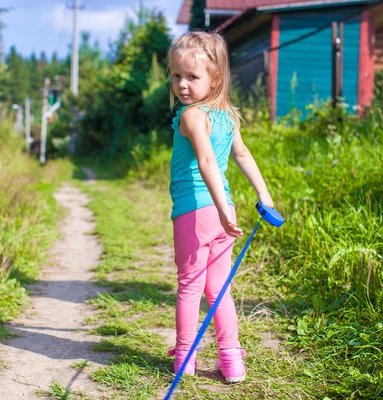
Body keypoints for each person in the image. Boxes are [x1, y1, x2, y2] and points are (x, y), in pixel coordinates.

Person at [166, 31, 274, 383]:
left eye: (192, 77)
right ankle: (231, 361)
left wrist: (223, 208)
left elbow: (208, 160)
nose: (182, 85)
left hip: (196, 213)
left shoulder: (192, 116)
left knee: (189, 287)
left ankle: (185, 358)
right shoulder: (226, 114)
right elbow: (241, 154)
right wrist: (263, 195)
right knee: (219, 289)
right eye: (176, 75)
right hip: (222, 210)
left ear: (215, 78)